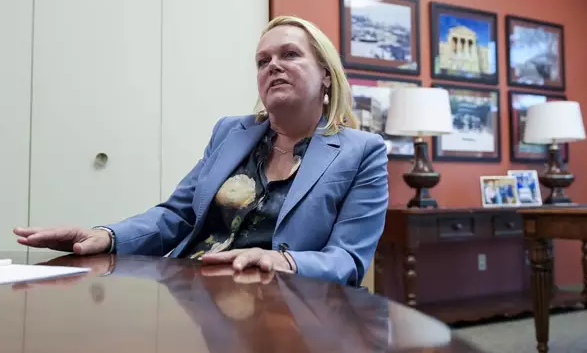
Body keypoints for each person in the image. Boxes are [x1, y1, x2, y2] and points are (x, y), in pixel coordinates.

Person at [13, 15, 389, 287]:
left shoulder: (362, 152)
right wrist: (105, 235)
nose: (273, 65)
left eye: (290, 54)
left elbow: (348, 258)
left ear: (326, 73)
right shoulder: (231, 132)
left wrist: (282, 260)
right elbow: (175, 217)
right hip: (196, 292)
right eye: (263, 61)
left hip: (291, 305)